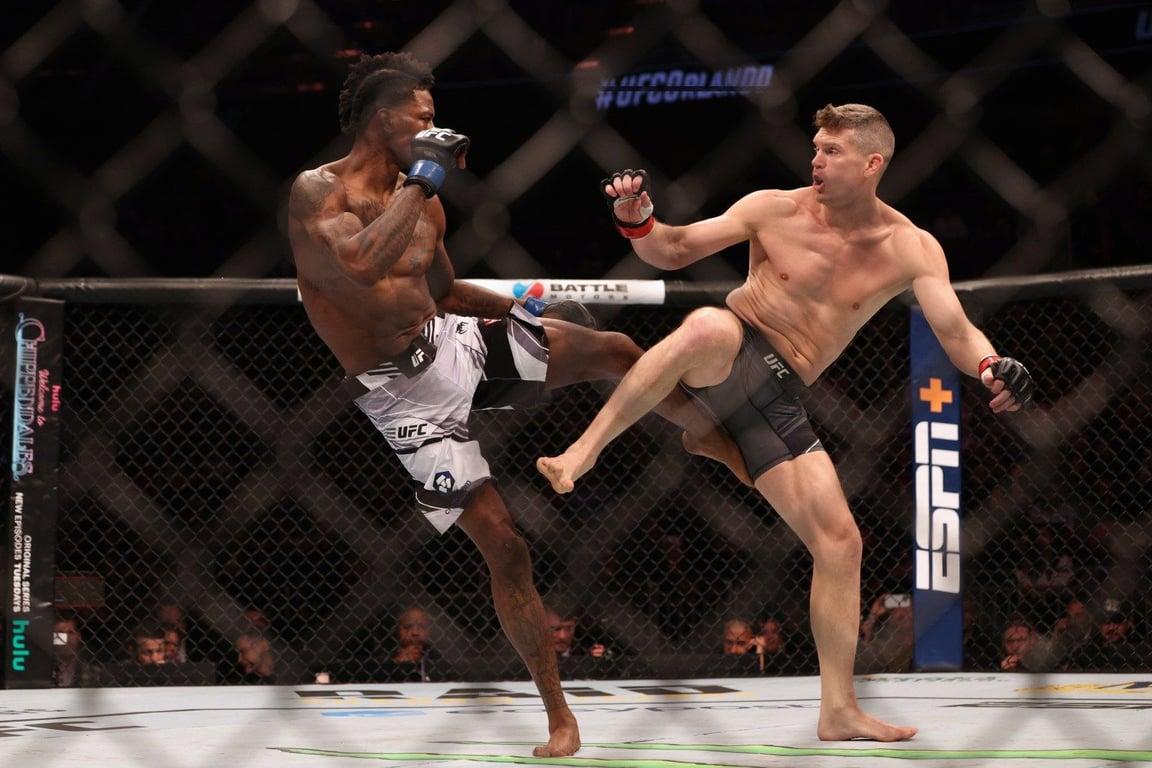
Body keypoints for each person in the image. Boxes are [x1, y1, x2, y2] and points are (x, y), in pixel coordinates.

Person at [286, 51, 747, 758]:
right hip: (399, 395)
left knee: (619, 348)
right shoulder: (319, 193)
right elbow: (360, 264)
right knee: (506, 546)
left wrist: (526, 312)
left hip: (450, 344)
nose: (434, 125)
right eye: (422, 114)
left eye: (434, 116)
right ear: (383, 119)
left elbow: (442, 293)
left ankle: (722, 449)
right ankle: (560, 716)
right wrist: (423, 179)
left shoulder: (427, 200)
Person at [537, 103, 1037, 741]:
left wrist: (994, 365)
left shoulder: (910, 247)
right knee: (709, 323)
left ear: (872, 163)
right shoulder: (774, 208)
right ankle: (584, 451)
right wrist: (638, 221)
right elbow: (676, 248)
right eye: (816, 147)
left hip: (777, 399)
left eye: (832, 151)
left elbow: (957, 329)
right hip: (729, 354)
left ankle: (838, 709)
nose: (817, 160)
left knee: (841, 543)